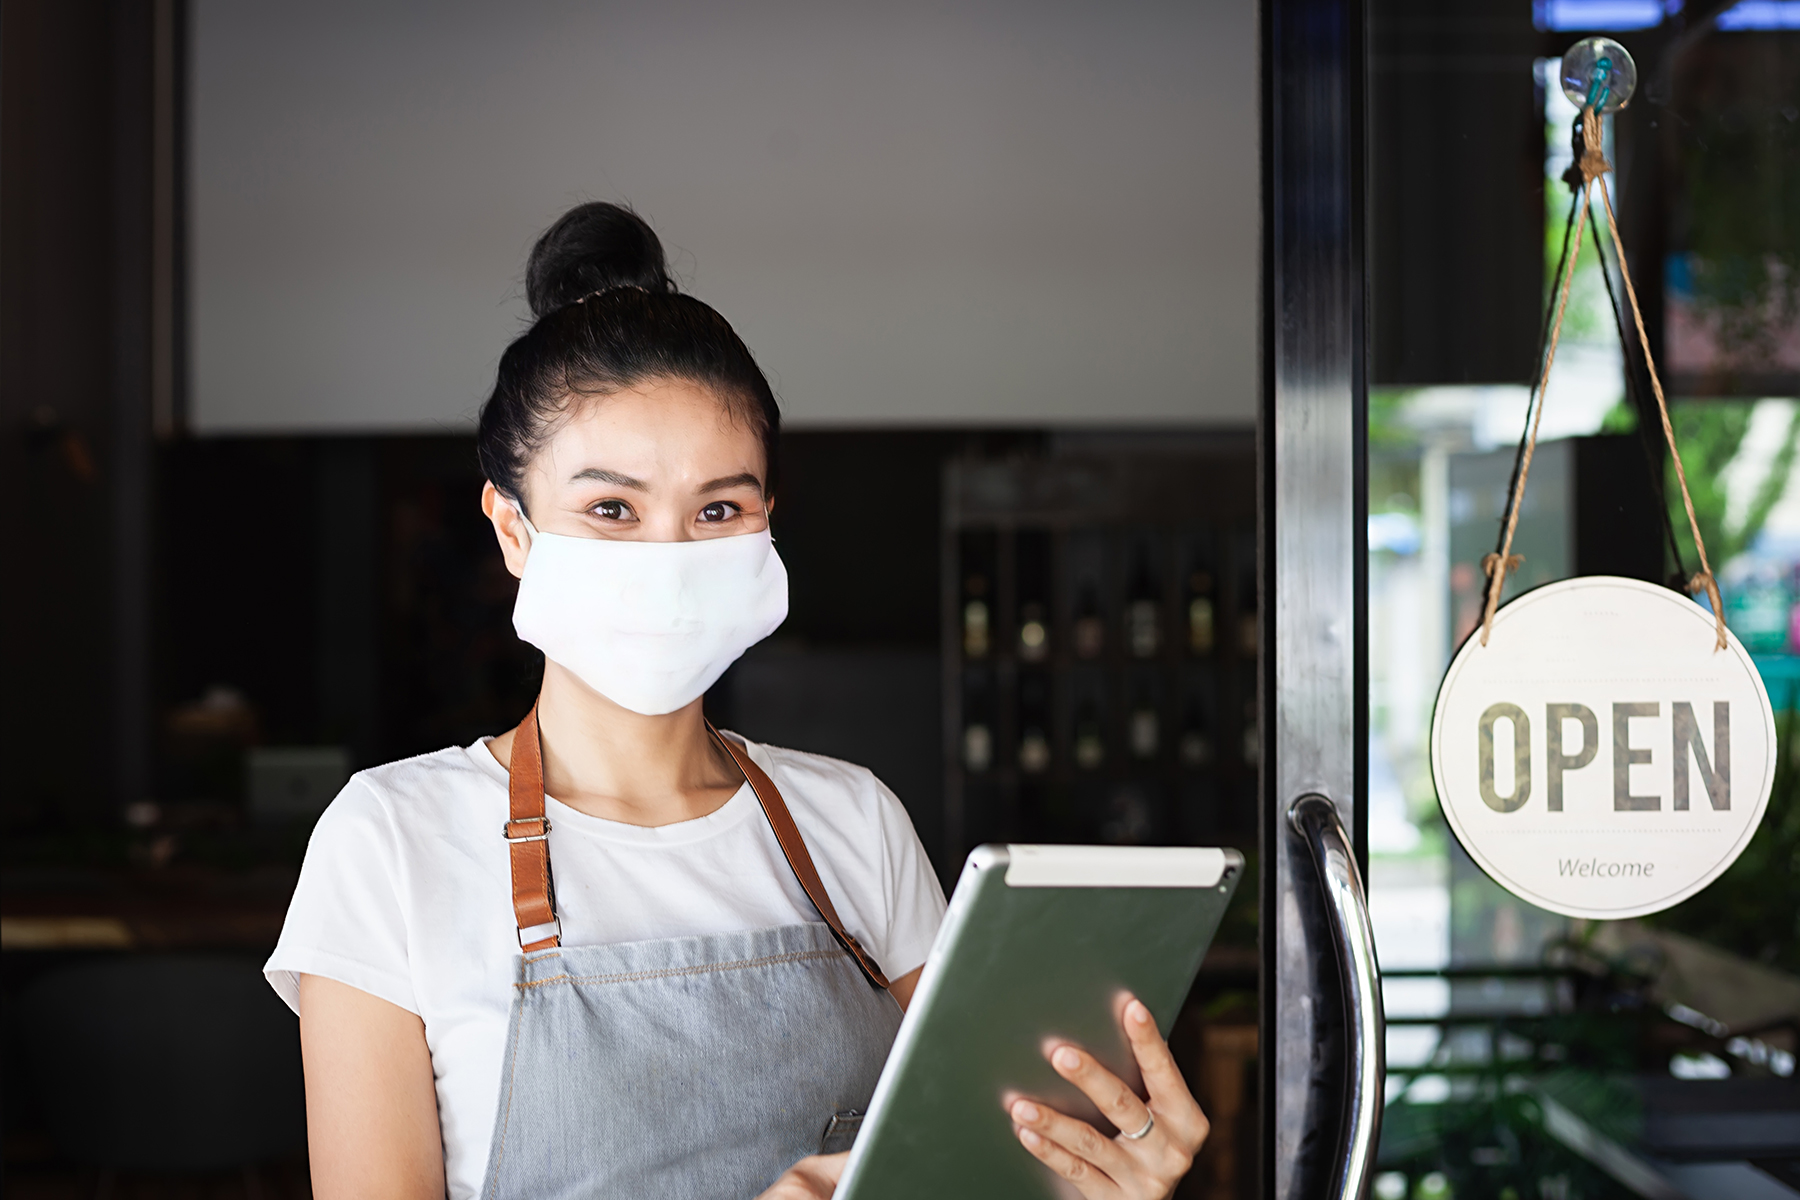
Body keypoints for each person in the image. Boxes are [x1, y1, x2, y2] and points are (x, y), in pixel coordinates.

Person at [265, 202, 1210, 1199]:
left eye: (719, 508)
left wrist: (1084, 1182)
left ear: (767, 529)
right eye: (611, 509)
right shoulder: (392, 841)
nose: (669, 557)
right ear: (512, 529)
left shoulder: (852, 821)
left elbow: (975, 1167)